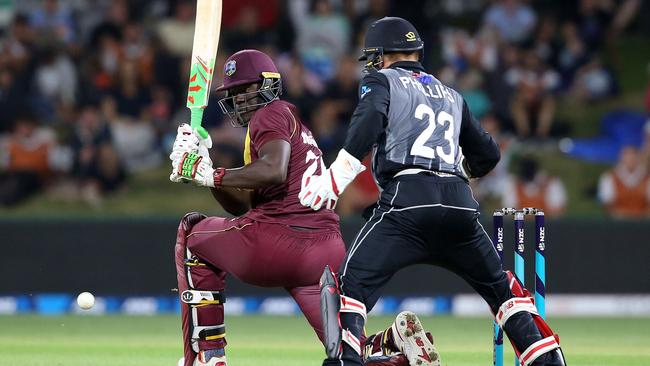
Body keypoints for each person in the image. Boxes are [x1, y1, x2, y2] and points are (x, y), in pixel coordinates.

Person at [300, 17, 567, 366]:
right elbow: (489, 154)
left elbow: (368, 122)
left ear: (381, 55)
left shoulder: (381, 80)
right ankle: (548, 361)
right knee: (505, 294)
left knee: (350, 290)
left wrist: (334, 179)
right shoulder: (452, 94)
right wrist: (458, 174)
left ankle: (347, 362)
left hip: (406, 203)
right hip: (459, 203)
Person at [169, 49, 434, 366]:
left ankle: (206, 355)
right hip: (325, 253)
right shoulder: (292, 125)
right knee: (346, 351)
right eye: (233, 93)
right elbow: (245, 205)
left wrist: (212, 173)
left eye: (245, 88)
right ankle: (398, 349)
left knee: (193, 235)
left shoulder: (271, 114)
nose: (238, 99)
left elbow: (274, 170)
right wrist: (208, 174)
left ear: (267, 85)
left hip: (280, 240)